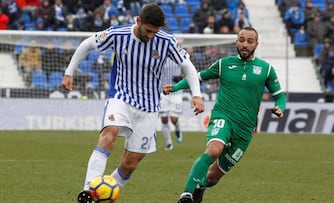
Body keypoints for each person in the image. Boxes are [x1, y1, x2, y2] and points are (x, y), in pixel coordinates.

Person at [61, 3, 204, 203]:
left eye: (155, 31)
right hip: (121, 97)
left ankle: (102, 194)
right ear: (138, 21)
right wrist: (69, 73)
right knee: (109, 134)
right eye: (148, 31)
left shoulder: (167, 41)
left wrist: (197, 95)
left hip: (148, 107)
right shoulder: (117, 34)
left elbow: (188, 67)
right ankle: (88, 191)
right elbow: (87, 44)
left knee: (131, 162)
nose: (151, 36)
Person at [162, 27, 287, 203]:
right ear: (236, 41)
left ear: (256, 44)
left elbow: (280, 95)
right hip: (223, 117)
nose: (245, 44)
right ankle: (187, 194)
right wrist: (175, 87)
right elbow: (197, 77)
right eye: (241, 40)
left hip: (244, 130)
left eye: (250, 41)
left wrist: (280, 107)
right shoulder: (223, 64)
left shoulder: (266, 69)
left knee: (213, 177)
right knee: (214, 149)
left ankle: (200, 186)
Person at [159, 58, 185, 151]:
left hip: (176, 92)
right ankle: (169, 143)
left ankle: (178, 129)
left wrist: (181, 77)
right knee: (164, 119)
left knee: (174, 119)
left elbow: (188, 69)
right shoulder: (160, 55)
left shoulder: (178, 56)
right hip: (162, 91)